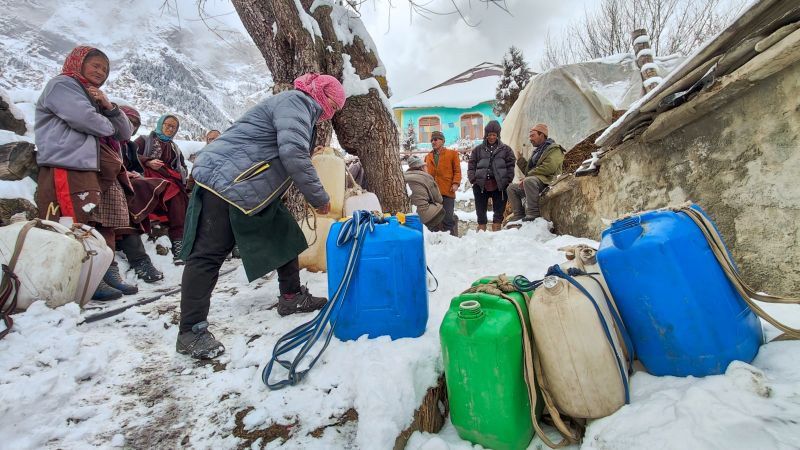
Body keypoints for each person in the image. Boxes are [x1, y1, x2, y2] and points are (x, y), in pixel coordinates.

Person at [177, 73, 345, 359]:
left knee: (286, 236)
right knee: (208, 255)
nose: (331, 112)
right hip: (227, 181)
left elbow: (281, 142)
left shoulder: (297, 106)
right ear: (321, 94)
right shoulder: (297, 101)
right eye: (333, 103)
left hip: (250, 183)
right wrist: (319, 198)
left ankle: (291, 297)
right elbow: (292, 152)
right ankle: (190, 331)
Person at [34, 45, 138, 301]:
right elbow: (85, 119)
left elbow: (124, 133)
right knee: (71, 223)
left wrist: (110, 107)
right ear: (78, 62)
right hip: (65, 164)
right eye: (95, 65)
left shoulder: (92, 96)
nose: (100, 72)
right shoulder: (63, 85)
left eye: (105, 69)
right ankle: (77, 280)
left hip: (86, 168)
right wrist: (106, 124)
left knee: (90, 223)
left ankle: (98, 274)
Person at [115, 105, 166, 283]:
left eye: (135, 124)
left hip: (124, 185)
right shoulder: (106, 140)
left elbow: (133, 167)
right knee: (126, 208)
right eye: (128, 121)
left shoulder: (128, 145)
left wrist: (132, 173)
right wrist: (121, 173)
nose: (132, 126)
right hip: (109, 187)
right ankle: (140, 261)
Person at [134, 114, 189, 264]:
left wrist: (179, 173)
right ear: (160, 124)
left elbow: (183, 167)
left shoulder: (175, 149)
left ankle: (178, 242)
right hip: (148, 178)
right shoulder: (144, 140)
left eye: (173, 127)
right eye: (167, 125)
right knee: (172, 191)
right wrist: (148, 161)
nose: (170, 129)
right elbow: (130, 155)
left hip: (170, 181)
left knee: (179, 197)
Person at [507, 123, 565, 222]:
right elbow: (528, 172)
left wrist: (528, 177)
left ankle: (533, 213)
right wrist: (520, 159)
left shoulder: (555, 149)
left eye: (532, 135)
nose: (530, 139)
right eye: (530, 136)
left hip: (548, 181)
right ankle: (518, 215)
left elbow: (548, 168)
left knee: (529, 181)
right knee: (511, 188)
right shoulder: (537, 152)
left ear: (542, 135)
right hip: (535, 181)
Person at [467, 120, 515, 232]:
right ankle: (481, 230)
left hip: (499, 185)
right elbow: (471, 165)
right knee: (480, 210)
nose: (492, 137)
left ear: (498, 135)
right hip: (481, 184)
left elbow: (511, 165)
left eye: (494, 135)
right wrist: (473, 179)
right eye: (489, 135)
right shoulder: (477, 150)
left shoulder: (506, 150)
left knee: (499, 210)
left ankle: (496, 230)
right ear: (486, 135)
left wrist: (507, 179)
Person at [423, 130, 461, 236]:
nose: (433, 142)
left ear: (443, 141)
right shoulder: (428, 157)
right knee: (433, 220)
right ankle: (436, 244)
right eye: (432, 140)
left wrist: (455, 183)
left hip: (447, 191)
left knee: (448, 219)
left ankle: (451, 241)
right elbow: (424, 174)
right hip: (432, 194)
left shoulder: (452, 154)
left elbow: (457, 171)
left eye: (436, 139)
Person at [404, 155, 445, 231]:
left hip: (409, 213)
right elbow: (439, 199)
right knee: (441, 210)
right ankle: (437, 234)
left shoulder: (404, 176)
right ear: (421, 167)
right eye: (425, 166)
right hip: (424, 215)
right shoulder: (426, 177)